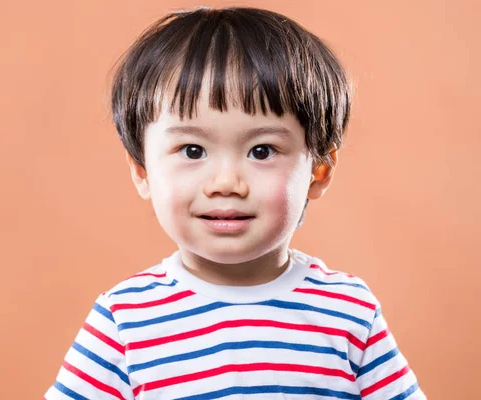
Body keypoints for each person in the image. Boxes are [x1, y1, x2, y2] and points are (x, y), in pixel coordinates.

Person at [44, 6, 425, 399]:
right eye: (192, 150)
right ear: (142, 171)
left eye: (262, 151)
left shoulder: (348, 312)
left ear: (319, 170)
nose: (226, 183)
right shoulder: (125, 320)